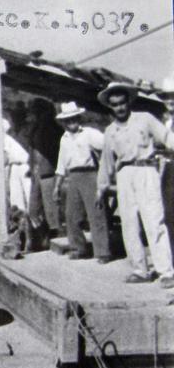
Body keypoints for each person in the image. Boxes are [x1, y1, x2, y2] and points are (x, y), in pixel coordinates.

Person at [96, 82, 174, 288]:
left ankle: (165, 271)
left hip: (146, 170)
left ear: (128, 101)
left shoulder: (145, 119)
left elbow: (167, 138)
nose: (119, 108)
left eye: (122, 103)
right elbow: (106, 162)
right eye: (114, 105)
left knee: (153, 220)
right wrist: (101, 187)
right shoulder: (110, 131)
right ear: (110, 107)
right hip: (124, 175)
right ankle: (140, 269)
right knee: (129, 224)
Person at [52, 102, 110, 263]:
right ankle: (78, 248)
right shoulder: (63, 139)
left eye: (74, 118)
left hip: (90, 174)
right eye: (68, 119)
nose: (72, 121)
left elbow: (108, 146)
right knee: (71, 215)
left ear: (79, 117)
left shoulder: (89, 133)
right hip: (73, 177)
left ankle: (103, 252)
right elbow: (61, 165)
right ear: (63, 122)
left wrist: (104, 165)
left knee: (96, 213)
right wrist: (57, 186)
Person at [26, 98, 63, 237]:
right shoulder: (35, 129)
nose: (36, 115)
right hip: (36, 174)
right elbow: (31, 149)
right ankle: (43, 237)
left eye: (38, 112)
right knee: (33, 210)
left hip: (49, 173)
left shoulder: (55, 129)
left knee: (52, 212)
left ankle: (57, 238)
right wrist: (30, 167)